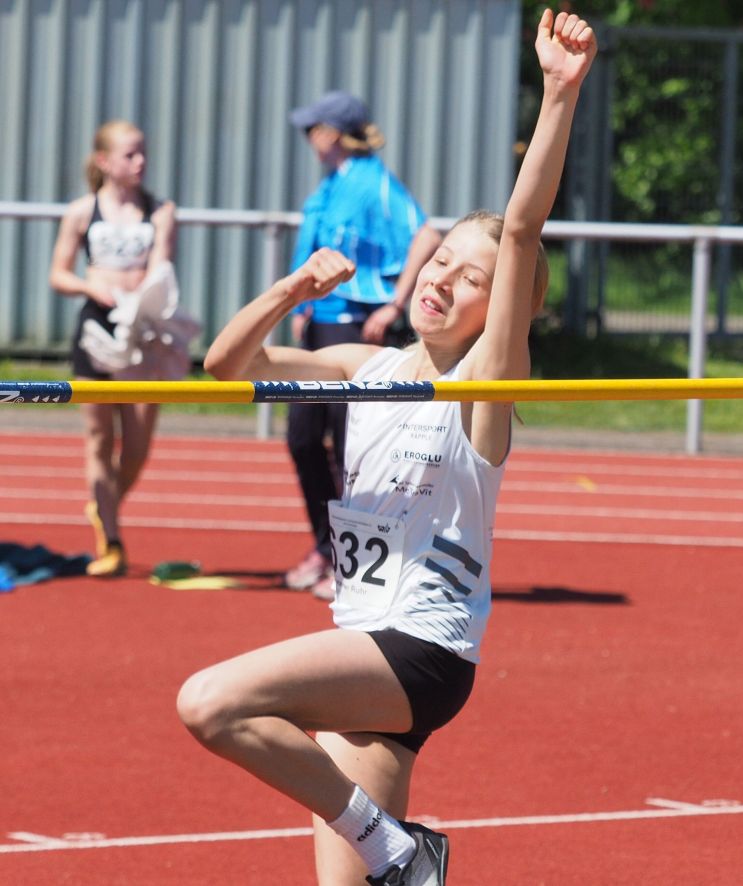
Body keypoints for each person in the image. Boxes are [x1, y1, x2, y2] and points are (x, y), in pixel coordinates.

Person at [178, 10, 596, 885]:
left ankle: (398, 847)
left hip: (419, 648)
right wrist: (295, 285)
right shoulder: (363, 364)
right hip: (361, 646)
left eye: (470, 277)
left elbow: (521, 231)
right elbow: (225, 365)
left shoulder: (485, 384)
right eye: (441, 258)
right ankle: (396, 850)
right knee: (352, 881)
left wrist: (559, 93)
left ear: (501, 310)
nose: (443, 278)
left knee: (211, 701)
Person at [284, 90, 442, 599]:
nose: (309, 139)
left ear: (332, 133)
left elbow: (426, 234)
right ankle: (325, 544)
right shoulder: (332, 184)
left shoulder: (375, 183)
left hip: (355, 328)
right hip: (322, 326)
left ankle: (352, 557)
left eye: (313, 129)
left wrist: (394, 304)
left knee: (351, 447)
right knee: (303, 438)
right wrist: (304, 307)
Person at [49, 120, 177, 577]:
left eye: (142, 153)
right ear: (104, 161)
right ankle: (113, 539)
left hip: (141, 331)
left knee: (138, 446)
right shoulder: (83, 211)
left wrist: (145, 297)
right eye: (129, 155)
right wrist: (92, 287)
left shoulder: (159, 210)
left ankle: (104, 508)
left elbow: (162, 265)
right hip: (97, 330)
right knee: (100, 438)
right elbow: (58, 273)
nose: (140, 162)